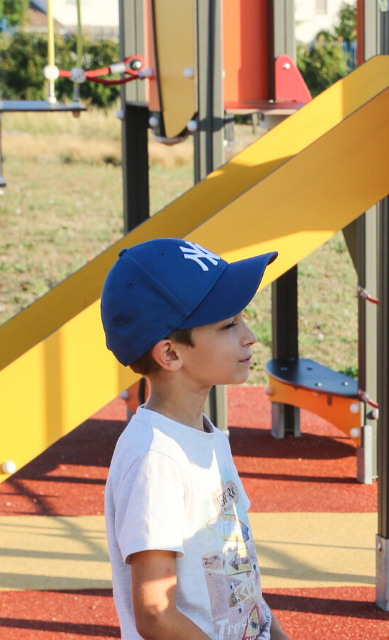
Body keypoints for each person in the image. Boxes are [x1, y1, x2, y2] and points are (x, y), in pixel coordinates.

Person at [101, 238, 291, 640]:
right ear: (170, 354)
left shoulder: (207, 436)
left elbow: (241, 578)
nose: (250, 336)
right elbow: (155, 613)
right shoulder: (156, 458)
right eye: (228, 325)